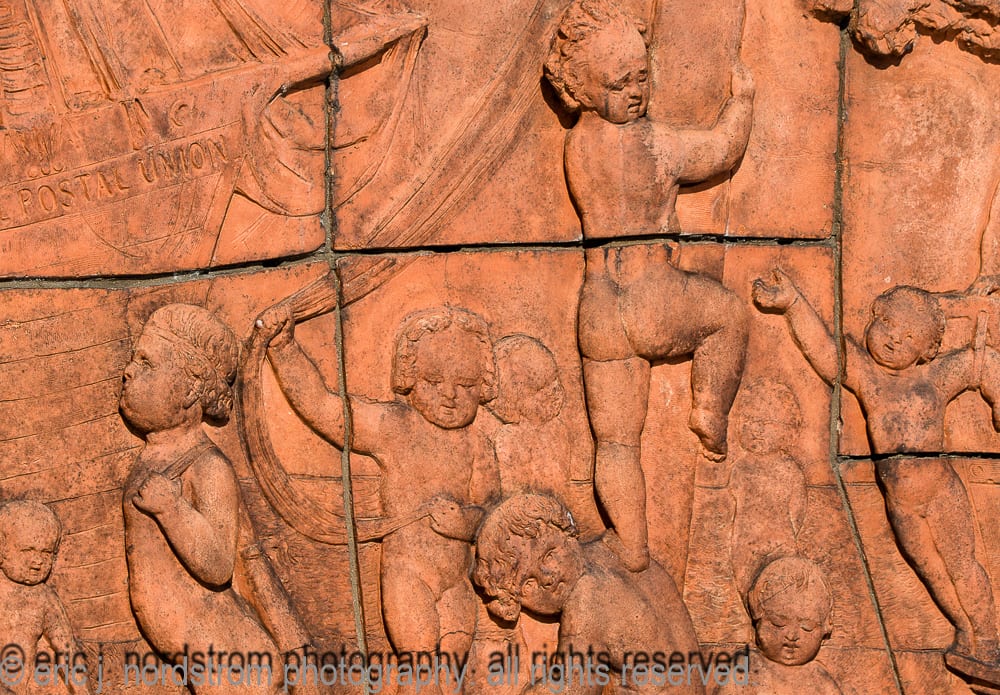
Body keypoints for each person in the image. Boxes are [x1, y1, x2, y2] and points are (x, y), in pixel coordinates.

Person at [544, 0, 755, 571]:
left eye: (641, 76)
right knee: (729, 316)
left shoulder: (577, 145)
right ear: (581, 89)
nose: (636, 92)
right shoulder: (654, 143)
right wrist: (742, 102)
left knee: (616, 443)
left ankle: (633, 547)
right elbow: (721, 151)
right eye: (620, 83)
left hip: (599, 307)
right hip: (653, 292)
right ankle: (709, 409)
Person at [753, 269, 1000, 666]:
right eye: (887, 324)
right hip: (901, 505)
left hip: (940, 492)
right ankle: (965, 632)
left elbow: (981, 362)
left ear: (926, 351)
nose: (893, 340)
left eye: (909, 338)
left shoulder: (935, 377)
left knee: (962, 566)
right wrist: (793, 302)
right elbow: (824, 350)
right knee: (931, 570)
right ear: (873, 318)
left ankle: (988, 638)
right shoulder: (868, 377)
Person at [256, 305, 501, 695]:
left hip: (458, 583)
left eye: (467, 384)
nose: (450, 395)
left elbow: (493, 515)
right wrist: (284, 348)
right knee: (420, 671)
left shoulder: (478, 445)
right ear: (409, 377)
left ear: (483, 386)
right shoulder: (395, 426)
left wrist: (465, 522)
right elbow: (324, 408)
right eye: (433, 381)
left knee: (450, 676)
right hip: (410, 576)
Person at [121, 304, 308, 695]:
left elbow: (220, 565)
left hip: (225, 653)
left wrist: (172, 508)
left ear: (191, 388)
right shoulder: (158, 454)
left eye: (147, 363)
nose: (128, 371)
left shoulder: (208, 467)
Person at [473, 494, 704, 695]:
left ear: (566, 532)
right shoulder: (617, 549)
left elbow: (573, 687)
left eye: (549, 556)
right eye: (528, 585)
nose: (547, 578)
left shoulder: (586, 599)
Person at [0, 500, 93, 695]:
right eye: (27, 550)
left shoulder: (44, 598)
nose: (38, 561)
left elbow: (68, 653)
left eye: (47, 552)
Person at [714, 556, 841, 694]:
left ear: (827, 625)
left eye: (807, 627)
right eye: (778, 624)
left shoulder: (820, 680)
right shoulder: (745, 669)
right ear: (757, 613)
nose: (792, 636)